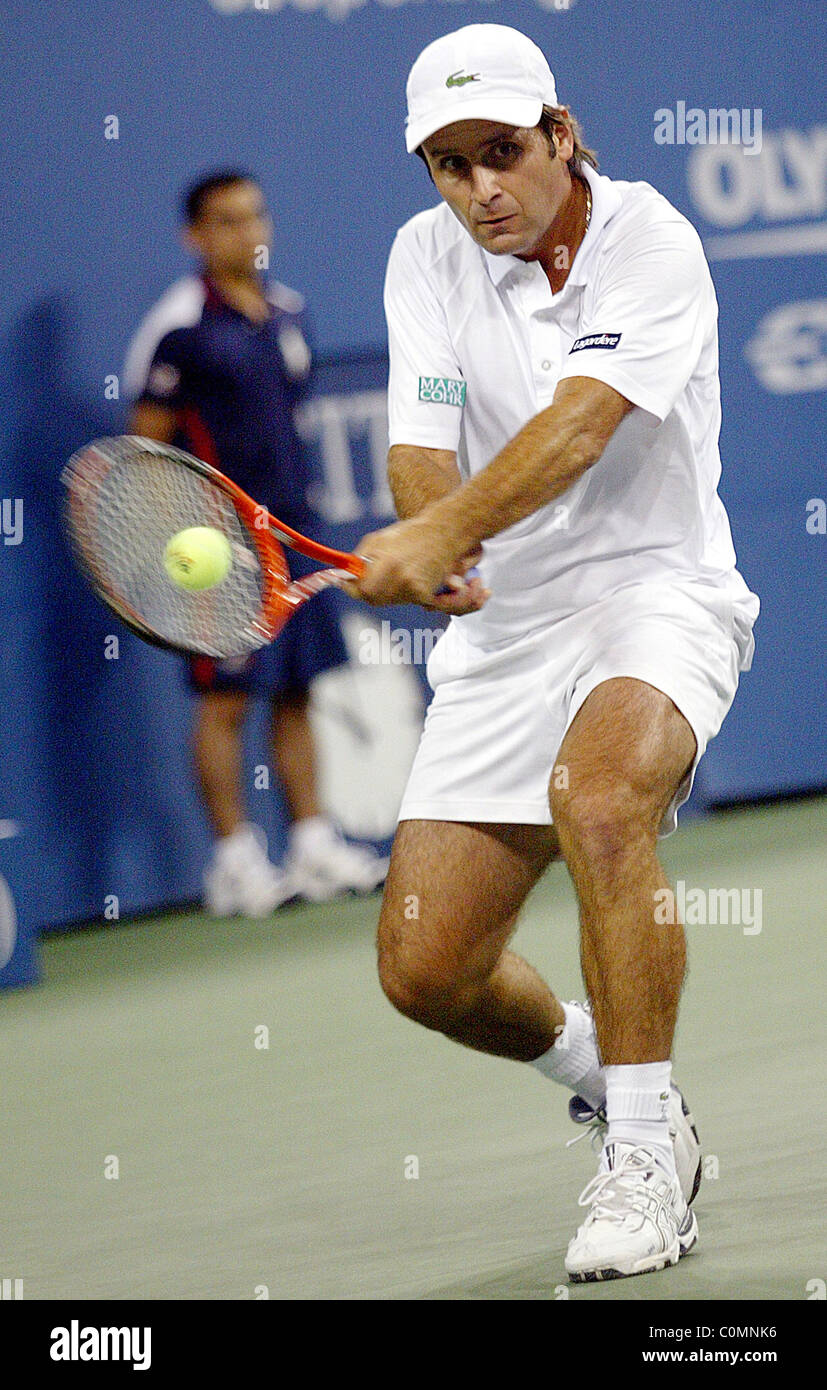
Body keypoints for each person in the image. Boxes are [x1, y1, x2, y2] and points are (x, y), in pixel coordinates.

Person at [343, 25, 759, 1281]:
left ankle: (641, 1163)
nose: (482, 190)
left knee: (600, 796)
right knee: (426, 966)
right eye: (450, 165)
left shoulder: (651, 242)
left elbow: (579, 429)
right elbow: (424, 430)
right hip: (509, 629)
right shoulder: (424, 257)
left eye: (503, 154)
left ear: (560, 134)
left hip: (655, 595)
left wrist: (444, 527)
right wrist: (435, 532)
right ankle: (612, 1078)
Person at [126, 170, 388, 915]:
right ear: (195, 236)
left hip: (294, 535)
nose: (249, 233)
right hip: (218, 551)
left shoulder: (290, 314)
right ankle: (233, 861)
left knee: (300, 692)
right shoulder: (177, 327)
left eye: (255, 216)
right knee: (226, 703)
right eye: (227, 221)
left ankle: (311, 844)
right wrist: (179, 548)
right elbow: (144, 453)